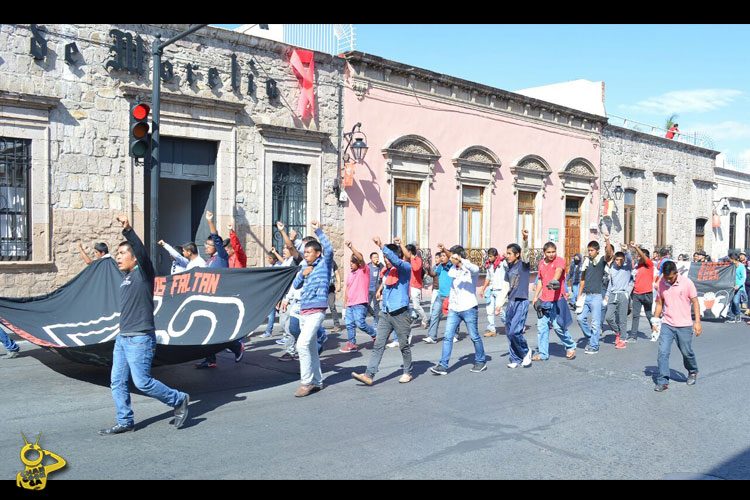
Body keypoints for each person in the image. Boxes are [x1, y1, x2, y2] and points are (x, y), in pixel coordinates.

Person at [99, 215, 189, 435]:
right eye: (117, 254)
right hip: (123, 338)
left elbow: (142, 254)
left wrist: (128, 230)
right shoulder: (127, 278)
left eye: (122, 253)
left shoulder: (144, 274)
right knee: (117, 382)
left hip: (140, 338)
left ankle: (178, 399)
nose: (118, 258)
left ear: (135, 258)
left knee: (142, 382)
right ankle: (125, 420)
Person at [351, 236, 413, 386]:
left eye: (387, 257)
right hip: (386, 313)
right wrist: (380, 292)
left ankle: (407, 371)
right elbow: (386, 286)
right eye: (384, 258)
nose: (385, 260)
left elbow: (397, 261)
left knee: (403, 345)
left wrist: (381, 245)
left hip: (401, 313)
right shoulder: (386, 272)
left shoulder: (405, 268)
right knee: (378, 344)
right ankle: (369, 375)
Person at [291, 220, 333, 397]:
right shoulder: (305, 267)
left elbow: (329, 249)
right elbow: (296, 284)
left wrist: (318, 230)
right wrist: (302, 273)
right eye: (305, 252)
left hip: (317, 311)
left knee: (302, 344)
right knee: (311, 349)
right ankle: (317, 381)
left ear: (317, 253)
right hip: (304, 311)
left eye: (309, 252)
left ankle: (306, 382)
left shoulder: (324, 263)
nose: (306, 255)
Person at [195, 211, 244, 368]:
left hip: (220, 299)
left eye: (208, 245)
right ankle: (210, 359)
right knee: (205, 328)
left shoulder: (221, 256)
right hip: (208, 297)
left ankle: (237, 346)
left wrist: (210, 221)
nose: (205, 248)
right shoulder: (210, 261)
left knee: (218, 329)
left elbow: (216, 239)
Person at [652, 260, 701, 392]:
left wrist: (697, 322)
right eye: (666, 277)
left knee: (686, 352)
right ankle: (663, 381)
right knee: (663, 352)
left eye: (671, 277)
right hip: (667, 324)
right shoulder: (662, 283)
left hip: (684, 325)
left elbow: (695, 302)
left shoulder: (687, 283)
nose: (668, 280)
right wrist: (655, 321)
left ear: (676, 273)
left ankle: (692, 371)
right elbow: (659, 303)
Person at [531, 242, 576, 361]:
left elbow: (559, 271)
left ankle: (570, 346)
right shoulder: (541, 263)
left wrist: (554, 281)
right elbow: (540, 280)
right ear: (544, 253)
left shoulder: (559, 260)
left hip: (557, 300)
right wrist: (536, 296)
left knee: (558, 327)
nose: (551, 254)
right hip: (544, 301)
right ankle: (543, 354)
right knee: (542, 328)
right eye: (549, 252)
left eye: (553, 252)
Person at [500, 229, 533, 369]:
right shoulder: (509, 268)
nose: (507, 256)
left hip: (521, 301)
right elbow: (506, 286)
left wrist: (525, 240)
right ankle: (515, 358)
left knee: (515, 331)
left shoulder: (523, 265)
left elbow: (526, 253)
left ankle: (526, 352)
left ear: (517, 255)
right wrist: (499, 304)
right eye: (506, 253)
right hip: (511, 302)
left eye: (509, 253)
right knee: (509, 332)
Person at [577, 237, 614, 354]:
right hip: (585, 296)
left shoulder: (601, 260)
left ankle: (594, 346)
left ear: (597, 251)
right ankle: (591, 338)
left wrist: (607, 240)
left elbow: (609, 253)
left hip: (596, 296)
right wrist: (579, 295)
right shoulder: (586, 262)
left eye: (592, 250)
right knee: (580, 318)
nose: (589, 252)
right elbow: (582, 279)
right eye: (588, 250)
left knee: (595, 323)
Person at [339, 241, 378, 353]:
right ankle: (351, 343)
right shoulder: (350, 274)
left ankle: (374, 334)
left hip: (360, 303)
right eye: (350, 262)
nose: (351, 264)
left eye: (353, 262)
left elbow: (360, 258)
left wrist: (352, 247)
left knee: (360, 324)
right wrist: (344, 307)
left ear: (358, 263)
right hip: (350, 304)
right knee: (349, 324)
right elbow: (347, 289)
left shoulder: (364, 270)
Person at [605, 244, 634, 350]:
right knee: (608, 317)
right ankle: (618, 332)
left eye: (621, 260)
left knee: (622, 319)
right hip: (613, 294)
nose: (619, 262)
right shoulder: (612, 268)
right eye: (617, 260)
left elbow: (630, 260)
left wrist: (627, 251)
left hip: (623, 294)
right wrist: (607, 295)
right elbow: (610, 283)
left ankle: (622, 339)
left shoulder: (627, 268)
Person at [397, 240, 428, 329]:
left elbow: (415, 269)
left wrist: (412, 258)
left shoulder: (417, 260)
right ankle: (412, 316)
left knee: (416, 306)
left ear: (410, 252)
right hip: (407, 286)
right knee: (404, 304)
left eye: (406, 252)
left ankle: (425, 319)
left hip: (415, 286)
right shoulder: (406, 260)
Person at [628, 243, 654, 342]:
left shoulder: (649, 264)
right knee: (635, 315)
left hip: (647, 294)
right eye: (638, 256)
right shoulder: (637, 267)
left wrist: (636, 248)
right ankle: (633, 336)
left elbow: (642, 256)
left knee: (648, 314)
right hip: (637, 294)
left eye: (640, 256)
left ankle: (655, 330)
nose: (639, 257)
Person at [479, 248, 508, 337]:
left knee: (499, 310)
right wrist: (483, 288)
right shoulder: (489, 265)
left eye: (491, 256)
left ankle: (509, 325)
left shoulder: (502, 263)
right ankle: (492, 329)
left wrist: (506, 258)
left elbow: (509, 266)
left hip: (500, 290)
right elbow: (488, 277)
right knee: (489, 310)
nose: (489, 258)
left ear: (496, 256)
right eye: (489, 256)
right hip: (491, 290)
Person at [366, 251, 384, 327]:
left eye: (377, 257)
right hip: (368, 289)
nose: (376, 259)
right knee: (366, 304)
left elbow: (384, 275)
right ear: (371, 259)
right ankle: (374, 315)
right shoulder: (367, 266)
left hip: (376, 289)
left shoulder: (380, 266)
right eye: (374, 257)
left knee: (376, 306)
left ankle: (376, 320)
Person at [728, 252, 747, 322]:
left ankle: (738, 315)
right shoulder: (731, 266)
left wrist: (738, 285)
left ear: (733, 259)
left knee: (736, 302)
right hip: (731, 287)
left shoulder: (741, 266)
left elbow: (743, 278)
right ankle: (732, 317)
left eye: (730, 258)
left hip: (739, 288)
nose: (729, 260)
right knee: (732, 302)